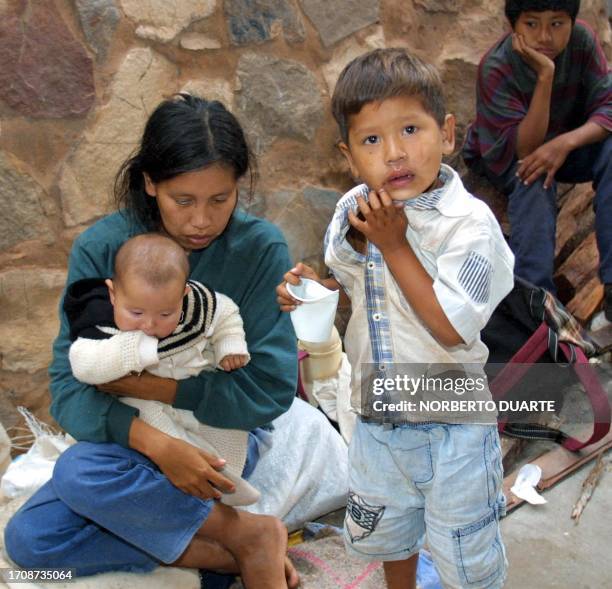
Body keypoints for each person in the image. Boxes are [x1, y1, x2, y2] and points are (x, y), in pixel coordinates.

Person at [4, 94, 300, 588]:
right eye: (183, 200)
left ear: (238, 188)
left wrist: (150, 389)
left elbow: (269, 390)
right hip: (133, 438)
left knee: (80, 475)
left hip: (220, 435)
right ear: (149, 183)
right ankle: (237, 543)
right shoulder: (102, 250)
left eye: (220, 199)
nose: (201, 220)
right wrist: (158, 446)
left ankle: (214, 539)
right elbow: (70, 389)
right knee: (31, 544)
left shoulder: (259, 248)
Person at [277, 48, 515, 589]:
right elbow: (359, 284)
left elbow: (451, 327)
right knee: (388, 531)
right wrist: (314, 289)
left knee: (464, 548)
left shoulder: (468, 226)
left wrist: (396, 244)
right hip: (376, 418)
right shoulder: (354, 211)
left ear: (447, 133)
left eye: (410, 128)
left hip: (451, 426)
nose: (394, 153)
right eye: (371, 140)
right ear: (349, 154)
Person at [64, 232, 258, 506]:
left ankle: (223, 474)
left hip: (193, 398)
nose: (149, 325)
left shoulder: (197, 305)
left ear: (184, 294)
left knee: (229, 426)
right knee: (165, 438)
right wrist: (137, 349)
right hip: (141, 407)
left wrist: (230, 345)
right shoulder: (98, 320)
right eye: (136, 313)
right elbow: (82, 363)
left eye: (165, 314)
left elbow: (226, 313)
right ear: (113, 294)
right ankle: (219, 482)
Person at [463, 0, 611, 318]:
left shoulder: (583, 42)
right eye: (532, 24)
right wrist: (545, 77)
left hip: (564, 144)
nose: (545, 36)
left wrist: (565, 143)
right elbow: (525, 149)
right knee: (531, 176)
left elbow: (608, 106)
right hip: (506, 152)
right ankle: (539, 307)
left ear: (572, 23)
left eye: (557, 24)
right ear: (513, 27)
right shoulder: (496, 66)